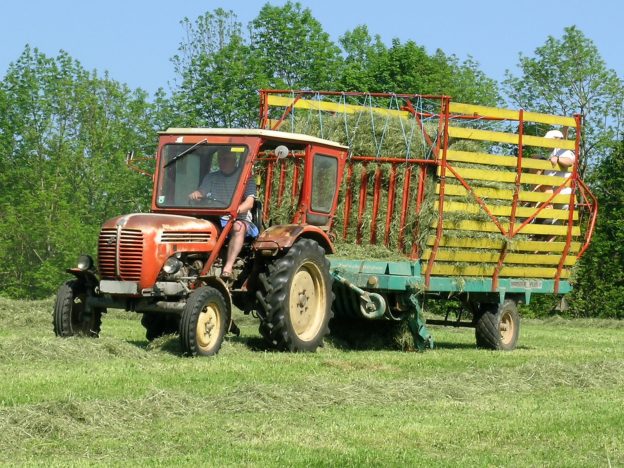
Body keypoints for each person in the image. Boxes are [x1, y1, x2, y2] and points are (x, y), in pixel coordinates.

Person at [189, 148, 258, 279]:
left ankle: (228, 267)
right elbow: (202, 192)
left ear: (234, 160)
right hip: (216, 217)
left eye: (226, 159)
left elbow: (249, 203)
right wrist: (196, 194)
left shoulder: (246, 179)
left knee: (238, 227)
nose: (223, 162)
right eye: (220, 159)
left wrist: (236, 210)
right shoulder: (211, 177)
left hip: (238, 218)